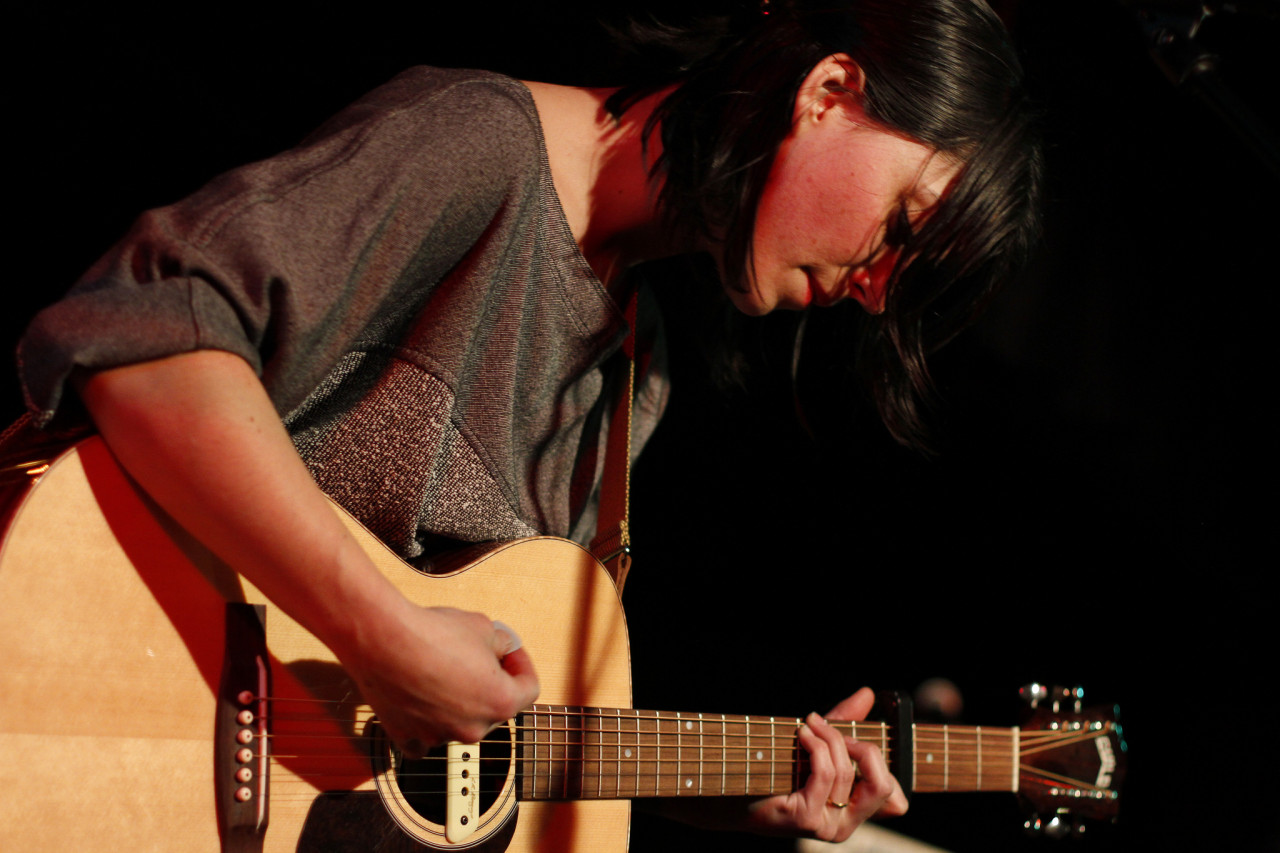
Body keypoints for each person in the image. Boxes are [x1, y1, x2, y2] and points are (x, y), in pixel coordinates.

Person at [13, 0, 1038, 843]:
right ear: (827, 93)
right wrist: (380, 631)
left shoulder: (636, 370)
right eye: (901, 225)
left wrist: (741, 796)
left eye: (908, 284)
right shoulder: (480, 146)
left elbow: (478, 744)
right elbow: (142, 334)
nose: (874, 291)